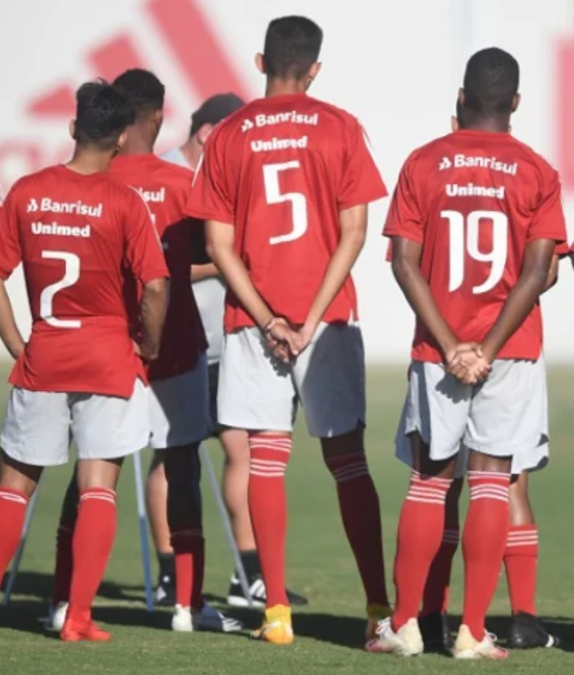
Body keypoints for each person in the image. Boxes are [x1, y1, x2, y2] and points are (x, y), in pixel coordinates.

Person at [188, 15, 389, 645]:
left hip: (254, 323)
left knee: (265, 463)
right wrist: (306, 317)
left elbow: (219, 246)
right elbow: (354, 233)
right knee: (348, 462)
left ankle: (276, 612)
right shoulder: (340, 126)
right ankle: (379, 610)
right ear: (315, 69)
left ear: (260, 61)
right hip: (324, 320)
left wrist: (269, 315)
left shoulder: (227, 136)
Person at [0, 80, 170, 642]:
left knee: (11, 488)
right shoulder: (124, 202)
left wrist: (16, 341)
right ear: (122, 137)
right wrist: (151, 343)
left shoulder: (28, 191)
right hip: (107, 359)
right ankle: (76, 617)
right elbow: (157, 287)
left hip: (44, 355)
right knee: (98, 487)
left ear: (73, 128)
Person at [367, 47, 565, 660]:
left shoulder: (423, 163)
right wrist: (489, 346)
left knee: (428, 483)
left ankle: (403, 626)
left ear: (461, 97)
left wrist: (454, 345)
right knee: (490, 483)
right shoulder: (536, 169)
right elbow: (540, 271)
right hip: (510, 351)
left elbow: (403, 262)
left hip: (439, 350)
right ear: (515, 103)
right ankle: (472, 632)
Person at [46, 70, 241, 634]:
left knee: (86, 476)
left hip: (105, 346)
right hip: (175, 346)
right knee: (182, 471)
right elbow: (219, 254)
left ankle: (63, 597)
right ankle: (188, 604)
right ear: (156, 117)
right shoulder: (182, 184)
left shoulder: (89, 182)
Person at [162, 92, 308, 608]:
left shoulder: (223, 177)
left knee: (240, 450)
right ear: (207, 135)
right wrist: (233, 265)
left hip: (224, 341)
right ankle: (167, 570)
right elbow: (163, 266)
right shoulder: (170, 177)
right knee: (171, 455)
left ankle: (249, 574)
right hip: (178, 337)